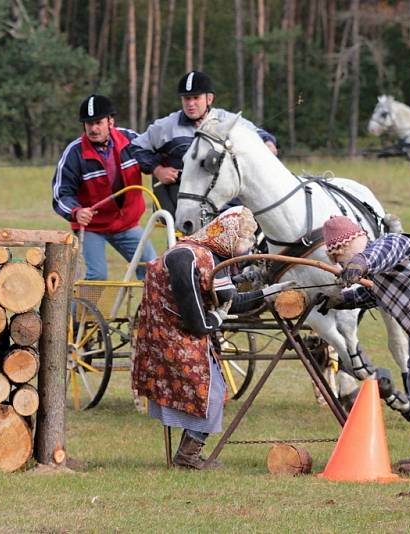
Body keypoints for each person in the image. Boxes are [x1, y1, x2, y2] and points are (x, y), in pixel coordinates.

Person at [132, 206, 295, 469]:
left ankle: (188, 454)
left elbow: (232, 302)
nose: (250, 244)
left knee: (213, 391)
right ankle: (187, 457)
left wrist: (269, 294)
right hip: (170, 337)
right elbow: (197, 321)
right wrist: (215, 320)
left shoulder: (210, 257)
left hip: (180, 334)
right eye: (246, 238)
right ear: (229, 235)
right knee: (211, 393)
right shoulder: (189, 257)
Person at [322, 216, 410, 474]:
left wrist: (358, 263)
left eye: (339, 257)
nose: (339, 264)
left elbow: (380, 254)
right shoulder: (376, 269)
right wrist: (337, 300)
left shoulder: (388, 243)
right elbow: (371, 293)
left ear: (347, 246)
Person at [132, 71, 278, 217]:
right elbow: (136, 147)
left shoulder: (227, 121)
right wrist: (158, 171)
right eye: (186, 98)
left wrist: (269, 144)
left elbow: (261, 135)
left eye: (196, 98)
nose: (190, 104)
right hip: (190, 209)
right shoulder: (166, 127)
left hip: (232, 205)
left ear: (209, 98)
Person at [52, 94, 156, 280]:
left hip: (127, 224)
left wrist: (161, 169)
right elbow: (61, 194)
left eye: (98, 122)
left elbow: (153, 161)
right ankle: (78, 310)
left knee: (154, 271)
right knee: (97, 276)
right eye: (89, 124)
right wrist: (76, 211)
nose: (93, 128)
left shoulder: (131, 140)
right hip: (92, 227)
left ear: (110, 121)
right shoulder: (74, 153)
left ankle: (148, 310)